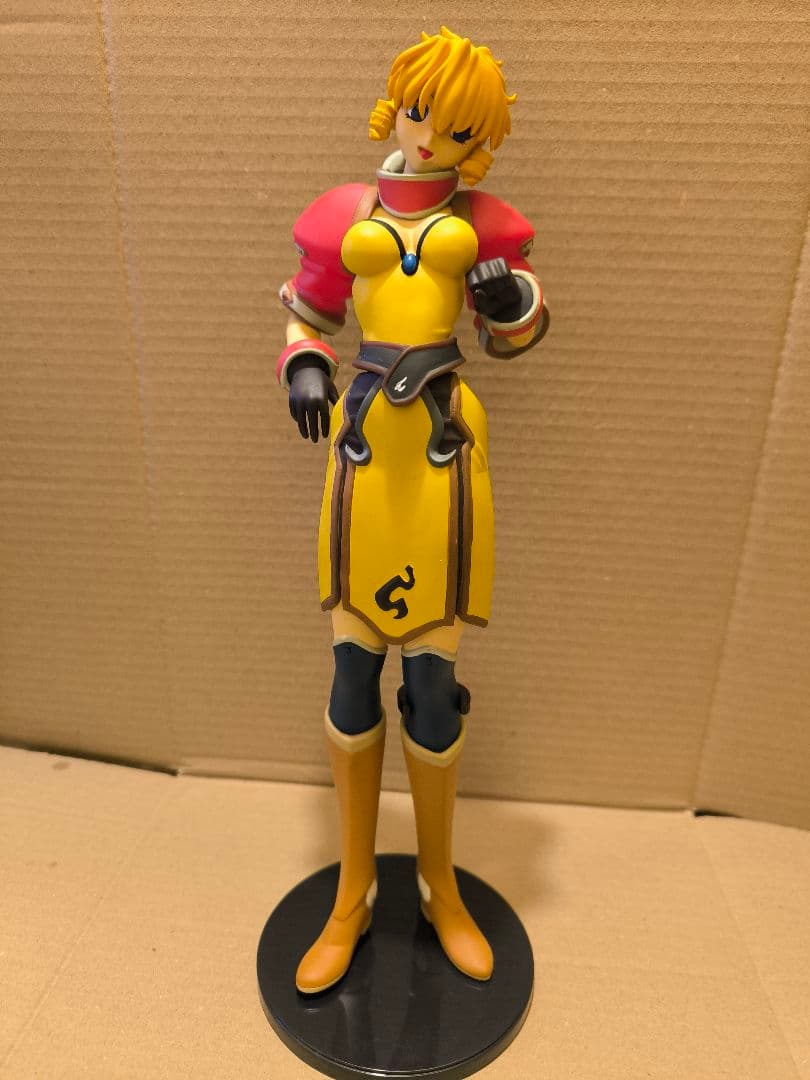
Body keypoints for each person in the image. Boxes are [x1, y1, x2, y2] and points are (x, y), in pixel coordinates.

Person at [276, 26, 547, 994]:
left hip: (442, 453)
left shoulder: (487, 225)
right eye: (423, 111)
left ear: (480, 138)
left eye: (457, 126)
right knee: (352, 671)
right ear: (399, 103)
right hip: (362, 451)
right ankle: (351, 894)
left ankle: (440, 886)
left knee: (433, 683)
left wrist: (508, 303)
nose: (431, 137)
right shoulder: (341, 214)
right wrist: (305, 366)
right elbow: (310, 314)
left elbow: (519, 330)